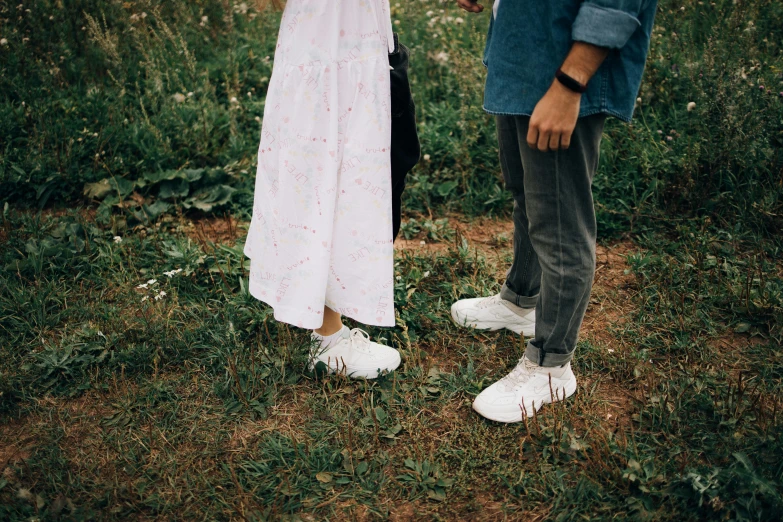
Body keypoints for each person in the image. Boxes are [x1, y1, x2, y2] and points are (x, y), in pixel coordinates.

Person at [452, 0, 657, 422]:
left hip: (561, 72)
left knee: (560, 221)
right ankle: (520, 302)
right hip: (523, 58)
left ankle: (551, 365)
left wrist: (569, 84)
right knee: (527, 193)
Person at [245, 0, 410, 379]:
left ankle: (326, 316)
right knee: (322, 179)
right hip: (328, 51)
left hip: (340, 44)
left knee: (337, 180)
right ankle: (327, 336)